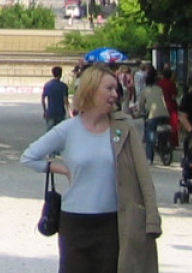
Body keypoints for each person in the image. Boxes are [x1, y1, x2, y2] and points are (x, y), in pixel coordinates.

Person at [20, 63, 160, 273]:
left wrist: (152, 220)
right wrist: (58, 167)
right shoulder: (68, 129)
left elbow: (144, 177)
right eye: (109, 89)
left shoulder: (123, 128)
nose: (115, 94)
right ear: (91, 90)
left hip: (112, 223)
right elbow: (29, 157)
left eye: (116, 89)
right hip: (74, 222)